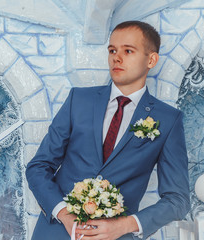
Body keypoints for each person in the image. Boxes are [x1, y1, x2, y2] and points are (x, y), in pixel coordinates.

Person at [25, 20, 190, 240]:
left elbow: (177, 199)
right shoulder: (79, 100)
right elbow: (38, 166)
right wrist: (64, 214)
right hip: (55, 233)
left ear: (151, 59)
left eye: (128, 51)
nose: (116, 58)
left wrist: (125, 225)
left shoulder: (167, 119)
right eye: (112, 50)